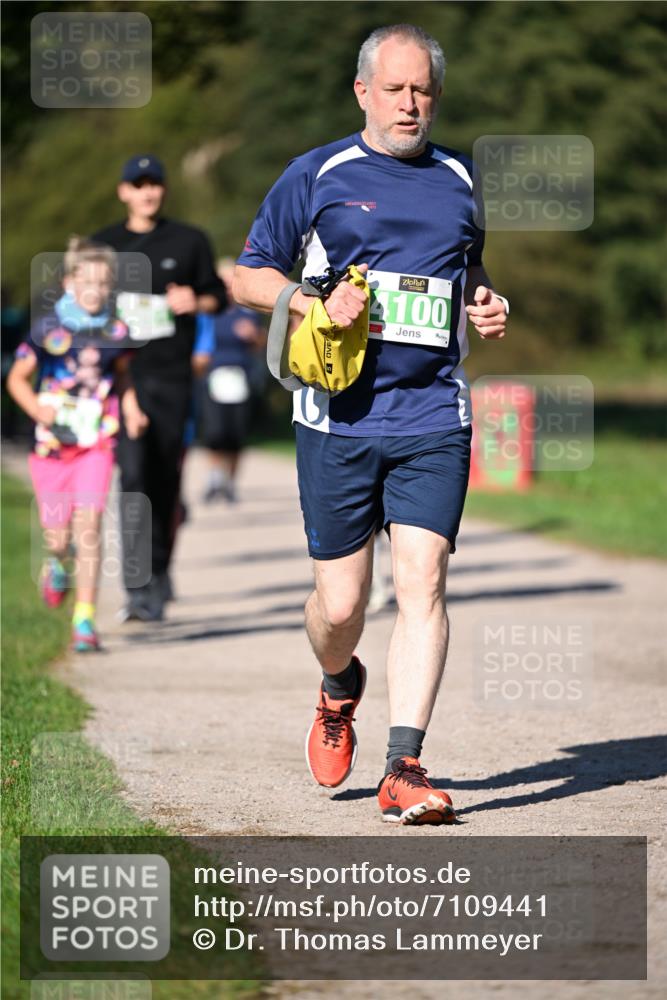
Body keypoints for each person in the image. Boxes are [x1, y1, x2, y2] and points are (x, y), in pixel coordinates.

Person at [234, 24, 508, 824]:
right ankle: (336, 685)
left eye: (421, 89)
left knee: (422, 583)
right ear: (363, 92)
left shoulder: (459, 177)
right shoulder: (316, 173)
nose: (409, 103)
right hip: (337, 418)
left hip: (431, 413)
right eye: (393, 89)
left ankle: (404, 765)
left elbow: (469, 268)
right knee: (342, 606)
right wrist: (313, 301)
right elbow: (249, 272)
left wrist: (485, 301)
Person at [92, 155, 226, 621]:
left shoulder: (189, 241)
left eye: (155, 184)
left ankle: (161, 569)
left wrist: (196, 300)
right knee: (132, 477)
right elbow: (83, 302)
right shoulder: (104, 245)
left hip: (172, 375)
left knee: (165, 479)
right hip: (121, 377)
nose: (148, 192)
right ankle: (137, 587)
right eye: (139, 184)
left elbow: (218, 296)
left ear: (164, 190)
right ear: (123, 191)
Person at [6, 237, 147, 651]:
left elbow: (122, 376)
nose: (95, 291)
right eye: (87, 281)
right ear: (69, 283)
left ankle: (84, 619)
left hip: (95, 443)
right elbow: (16, 378)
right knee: (58, 536)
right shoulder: (47, 328)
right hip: (51, 447)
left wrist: (132, 408)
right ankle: (55, 562)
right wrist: (37, 409)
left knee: (89, 528)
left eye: (103, 283)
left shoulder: (116, 330)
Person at [196, 257, 266, 503]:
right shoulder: (208, 313)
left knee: (236, 434)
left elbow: (262, 344)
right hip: (213, 376)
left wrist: (254, 334)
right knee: (215, 432)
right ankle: (215, 478)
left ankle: (230, 482)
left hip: (241, 377)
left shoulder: (248, 311)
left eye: (230, 280)